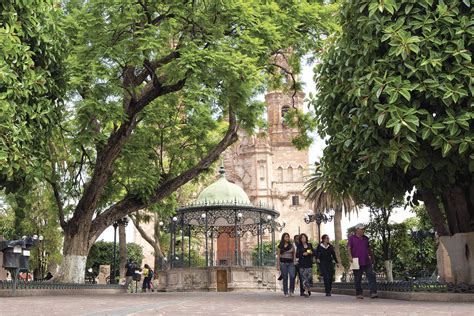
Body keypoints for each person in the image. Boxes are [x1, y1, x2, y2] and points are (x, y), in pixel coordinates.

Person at [348, 223, 378, 299]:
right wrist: (350, 256)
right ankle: (359, 293)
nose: (363, 230)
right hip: (356, 261)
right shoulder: (352, 238)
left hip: (366, 260)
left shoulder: (366, 238)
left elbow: (368, 248)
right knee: (357, 278)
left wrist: (372, 257)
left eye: (363, 229)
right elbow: (349, 248)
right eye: (361, 229)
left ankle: (373, 292)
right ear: (357, 229)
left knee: (371, 276)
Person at [276, 232, 296, 297]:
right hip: (283, 263)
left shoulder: (291, 245)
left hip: (291, 263)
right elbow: (278, 256)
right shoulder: (280, 246)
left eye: (288, 237)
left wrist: (294, 261)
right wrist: (278, 265)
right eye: (286, 237)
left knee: (292, 276)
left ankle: (291, 290)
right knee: (285, 277)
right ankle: (286, 292)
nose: (287, 238)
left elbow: (294, 254)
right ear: (283, 238)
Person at [296, 233, 314, 297]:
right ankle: (306, 291)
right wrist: (303, 254)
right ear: (300, 239)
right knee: (304, 278)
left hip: (308, 263)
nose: (304, 239)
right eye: (302, 238)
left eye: (304, 237)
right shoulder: (299, 246)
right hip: (302, 263)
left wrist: (309, 252)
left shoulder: (309, 245)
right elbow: (297, 255)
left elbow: (313, 252)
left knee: (309, 278)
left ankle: (308, 289)